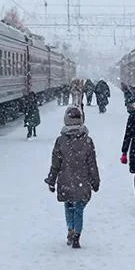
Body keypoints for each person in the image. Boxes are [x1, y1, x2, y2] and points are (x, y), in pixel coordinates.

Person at [45, 106, 100, 248]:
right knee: (79, 207)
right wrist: (95, 181)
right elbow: (92, 164)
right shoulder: (87, 141)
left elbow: (55, 164)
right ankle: (77, 234)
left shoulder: (60, 141)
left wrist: (52, 180)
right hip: (82, 181)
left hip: (65, 180)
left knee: (68, 205)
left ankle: (70, 229)